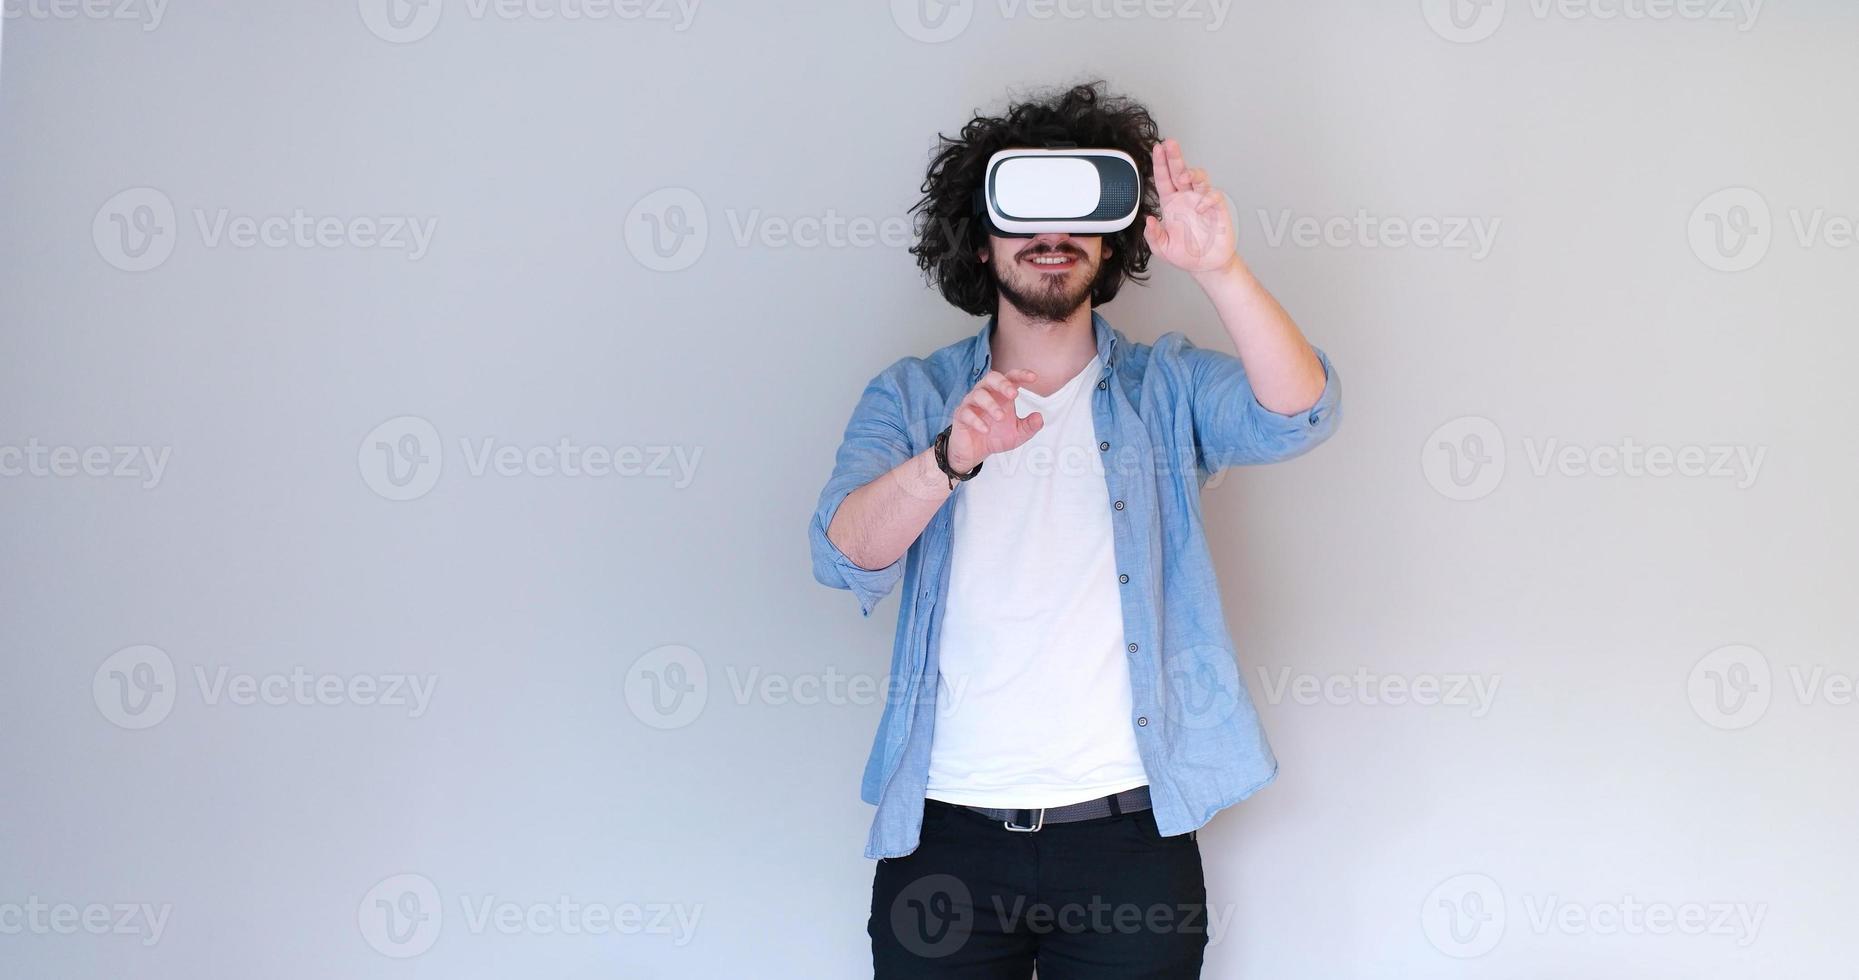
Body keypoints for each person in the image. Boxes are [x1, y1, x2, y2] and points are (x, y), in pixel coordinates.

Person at [808, 81, 1342, 978]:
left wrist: (1219, 270)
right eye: (1022, 212)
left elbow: (1302, 412)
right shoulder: (910, 399)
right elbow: (843, 550)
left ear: (1111, 237)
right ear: (980, 239)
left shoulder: (1163, 390)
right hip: (945, 840)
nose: (1049, 239)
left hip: (1128, 841)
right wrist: (947, 459)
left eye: (1078, 212)